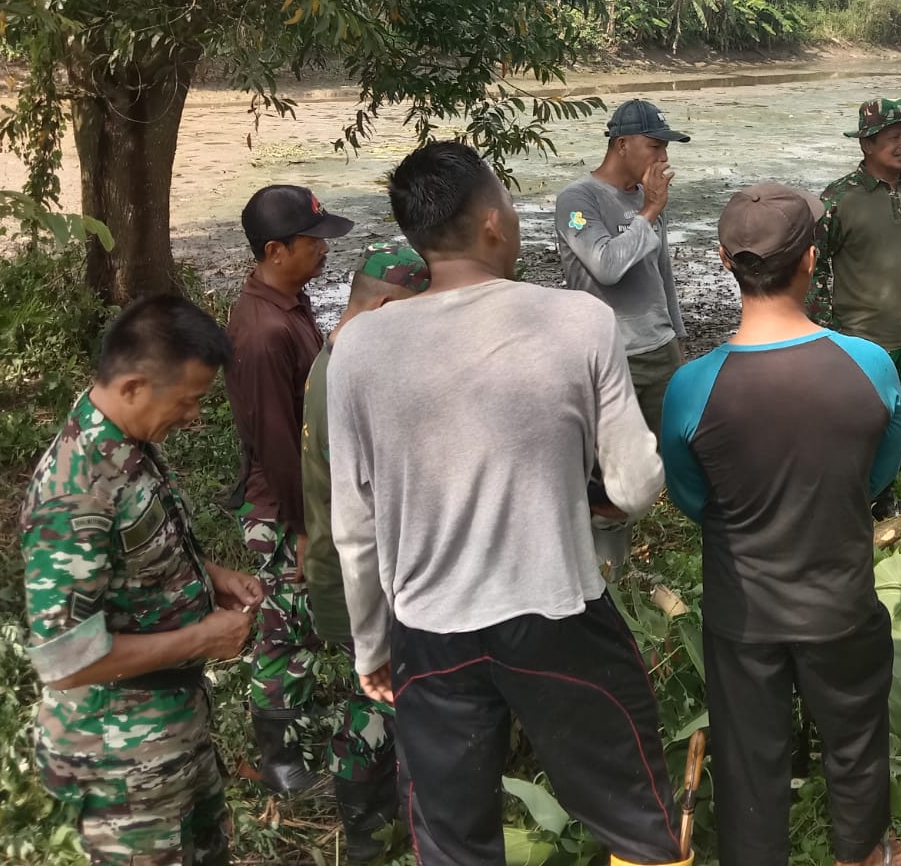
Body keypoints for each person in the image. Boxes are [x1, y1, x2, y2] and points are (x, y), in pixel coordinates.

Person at [328, 141, 686, 866]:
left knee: (454, 839)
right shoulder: (576, 321)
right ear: (492, 220)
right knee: (635, 815)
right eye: (511, 205)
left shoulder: (358, 349)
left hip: (427, 632)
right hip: (555, 612)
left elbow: (355, 529)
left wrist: (372, 648)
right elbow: (636, 485)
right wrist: (589, 497)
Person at [660, 183, 901, 866]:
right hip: (841, 599)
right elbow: (877, 474)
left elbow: (693, 497)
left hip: (744, 614)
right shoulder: (871, 367)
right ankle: (861, 854)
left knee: (749, 760)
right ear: (811, 258)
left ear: (723, 260)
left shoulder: (692, 386)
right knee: (857, 743)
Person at [21, 294, 262, 865]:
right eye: (188, 400)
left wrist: (209, 575)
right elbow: (66, 660)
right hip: (119, 768)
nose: (195, 416)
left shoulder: (127, 443)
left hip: (169, 737)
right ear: (132, 386)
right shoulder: (75, 490)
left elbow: (134, 553)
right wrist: (202, 638)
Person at [300, 243, 430, 860]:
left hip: (349, 565)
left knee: (376, 698)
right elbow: (365, 516)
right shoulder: (348, 380)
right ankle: (368, 832)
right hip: (357, 576)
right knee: (374, 704)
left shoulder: (338, 356)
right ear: (380, 306)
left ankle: (378, 820)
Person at [226, 183, 353, 793]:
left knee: (296, 622)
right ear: (275, 250)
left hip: (298, 498)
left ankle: (296, 739)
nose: (324, 252)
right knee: (286, 628)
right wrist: (303, 530)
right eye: (313, 243)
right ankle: (282, 763)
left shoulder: (288, 304)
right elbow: (277, 441)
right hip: (281, 508)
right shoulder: (262, 332)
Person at [555, 98, 690, 571]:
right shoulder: (578, 201)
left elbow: (661, 272)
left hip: (659, 349)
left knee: (670, 456)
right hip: (610, 356)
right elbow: (606, 265)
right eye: (654, 146)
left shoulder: (645, 199)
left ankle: (656, 555)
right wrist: (650, 211)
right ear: (622, 144)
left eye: (666, 148)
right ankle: (607, 574)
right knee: (608, 476)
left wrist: (678, 334)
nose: (663, 159)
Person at [809, 98, 901, 519]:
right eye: (893, 137)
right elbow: (813, 261)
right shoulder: (839, 198)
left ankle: (883, 499)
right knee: (857, 427)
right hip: (858, 342)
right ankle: (847, 502)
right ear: (867, 144)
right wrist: (824, 323)